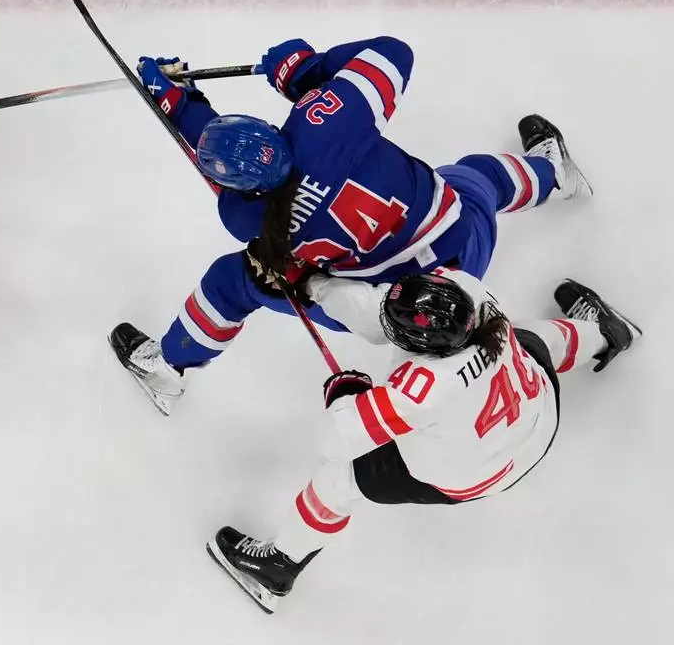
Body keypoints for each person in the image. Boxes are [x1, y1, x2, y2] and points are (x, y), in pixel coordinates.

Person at [111, 36, 591, 414]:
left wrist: (179, 102)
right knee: (481, 177)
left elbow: (218, 161)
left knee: (230, 283)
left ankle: (169, 367)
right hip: (464, 243)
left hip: (394, 313)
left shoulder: (248, 217)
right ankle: (558, 175)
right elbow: (392, 55)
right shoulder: (324, 122)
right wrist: (308, 72)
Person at [206, 270, 640, 612]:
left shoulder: (422, 388)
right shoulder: (472, 295)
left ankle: (279, 566)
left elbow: (335, 438)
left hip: (483, 473)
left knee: (338, 479)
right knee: (530, 338)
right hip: (539, 413)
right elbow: (383, 309)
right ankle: (604, 333)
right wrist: (315, 285)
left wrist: (345, 394)